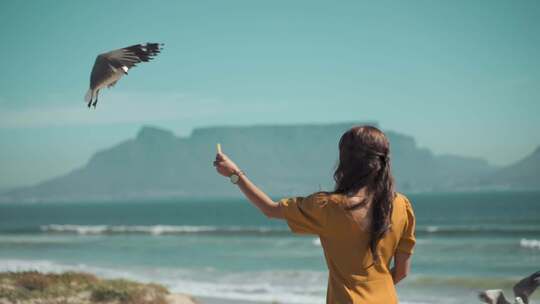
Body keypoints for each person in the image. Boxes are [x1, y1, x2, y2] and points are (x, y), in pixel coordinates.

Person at [213, 125, 416, 304]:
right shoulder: (401, 205)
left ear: (346, 161)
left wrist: (235, 174)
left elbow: (270, 209)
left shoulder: (328, 206)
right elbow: (401, 272)